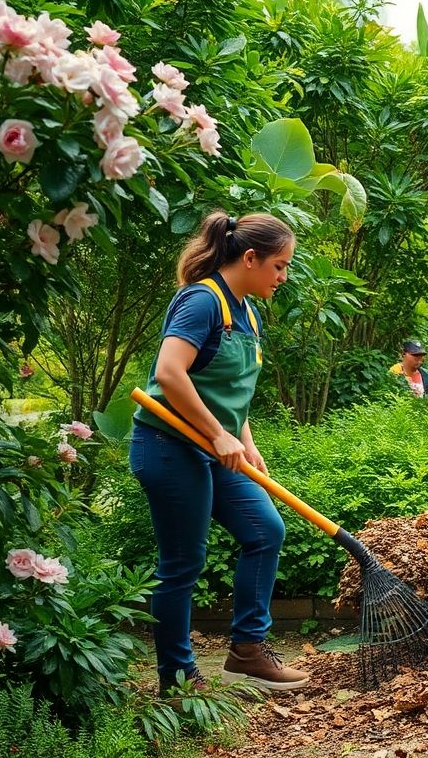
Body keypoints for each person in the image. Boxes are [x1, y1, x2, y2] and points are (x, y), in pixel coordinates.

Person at [130, 211, 309, 693]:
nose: (283, 277)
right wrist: (218, 434)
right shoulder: (201, 301)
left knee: (266, 530)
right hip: (169, 446)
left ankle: (247, 652)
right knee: (183, 563)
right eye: (278, 266)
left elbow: (230, 390)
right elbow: (170, 372)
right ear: (249, 258)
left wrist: (245, 443)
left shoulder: (246, 310)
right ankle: (178, 679)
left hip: (215, 448)